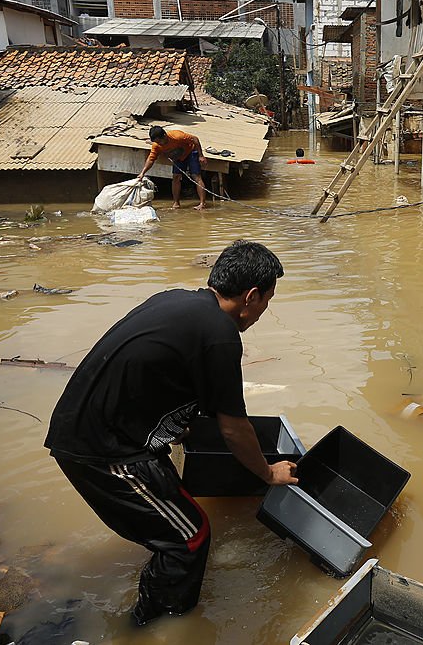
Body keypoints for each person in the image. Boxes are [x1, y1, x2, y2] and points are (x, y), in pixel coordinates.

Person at [43, 240, 298, 627]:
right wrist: (267, 473)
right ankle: (153, 625)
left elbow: (155, 373)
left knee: (175, 523)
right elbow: (233, 426)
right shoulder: (221, 335)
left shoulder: (176, 301)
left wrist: (181, 424)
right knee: (189, 537)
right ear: (251, 296)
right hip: (105, 451)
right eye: (267, 300)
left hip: (91, 428)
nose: (264, 311)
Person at [137, 126, 209, 211]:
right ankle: (176, 203)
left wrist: (201, 155)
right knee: (176, 177)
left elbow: (195, 139)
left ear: (164, 136)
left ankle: (202, 203)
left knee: (196, 176)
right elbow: (151, 159)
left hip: (190, 152)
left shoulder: (177, 136)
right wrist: (142, 173)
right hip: (178, 157)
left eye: (160, 141)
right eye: (156, 142)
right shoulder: (156, 146)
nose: (159, 143)